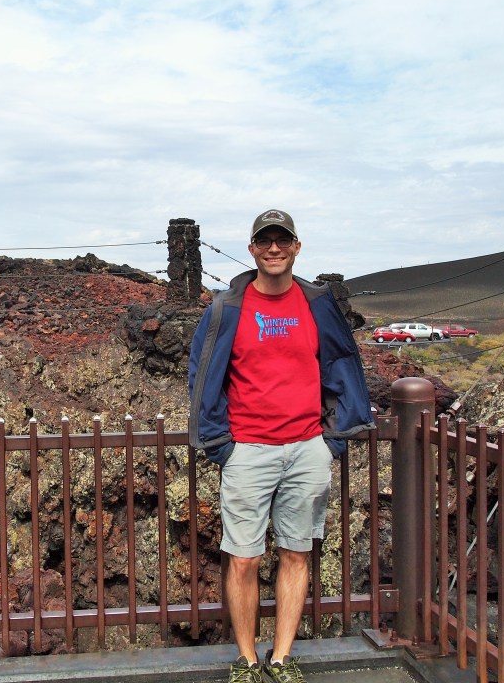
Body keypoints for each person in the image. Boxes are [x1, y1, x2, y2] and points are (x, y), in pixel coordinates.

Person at [188, 209, 374, 683]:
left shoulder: (316, 304)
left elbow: (341, 363)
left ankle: (282, 657)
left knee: (296, 552)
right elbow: (203, 374)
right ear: (252, 249)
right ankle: (247, 661)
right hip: (248, 449)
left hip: (307, 447)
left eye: (282, 240)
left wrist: (332, 441)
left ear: (296, 247)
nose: (273, 248)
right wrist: (221, 445)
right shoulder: (228, 308)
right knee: (244, 557)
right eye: (264, 240)